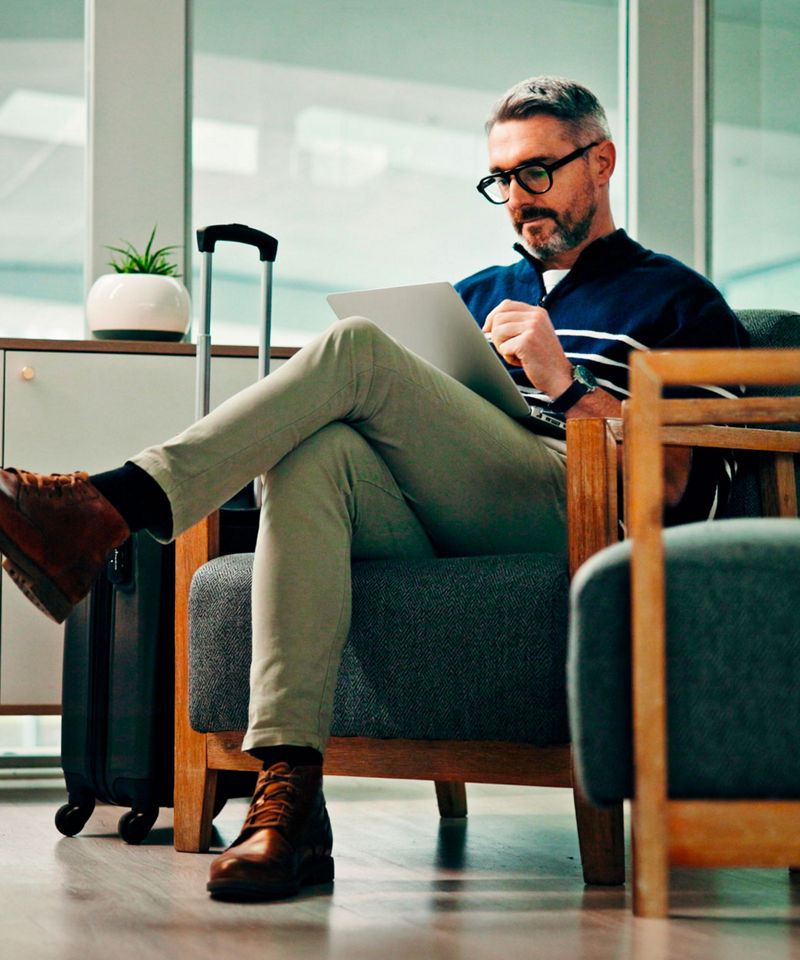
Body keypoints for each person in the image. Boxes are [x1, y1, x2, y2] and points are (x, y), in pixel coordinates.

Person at [0, 77, 746, 902]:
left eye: (537, 172)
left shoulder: (679, 301)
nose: (517, 200)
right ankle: (290, 797)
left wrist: (565, 386)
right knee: (311, 451)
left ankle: (104, 510)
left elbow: (677, 484)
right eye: (501, 180)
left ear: (600, 162)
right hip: (451, 513)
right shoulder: (476, 297)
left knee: (354, 348)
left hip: (575, 509)